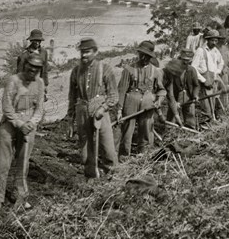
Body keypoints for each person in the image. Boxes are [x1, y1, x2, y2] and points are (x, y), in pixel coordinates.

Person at [0, 51, 45, 209]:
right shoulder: (13, 80)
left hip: (29, 125)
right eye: (31, 66)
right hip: (11, 123)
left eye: (37, 68)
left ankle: (21, 197)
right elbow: (7, 107)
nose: (33, 70)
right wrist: (19, 124)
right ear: (25, 65)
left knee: (23, 163)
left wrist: (31, 123)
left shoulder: (40, 83)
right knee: (3, 163)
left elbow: (40, 109)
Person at [67, 38, 118, 178]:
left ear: (95, 52)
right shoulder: (76, 71)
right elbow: (72, 97)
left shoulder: (105, 69)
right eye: (82, 52)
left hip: (100, 111)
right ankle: (90, 177)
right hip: (82, 110)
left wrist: (103, 108)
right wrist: (70, 120)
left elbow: (113, 95)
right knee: (85, 149)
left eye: (87, 52)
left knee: (107, 147)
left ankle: (113, 176)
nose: (84, 55)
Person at [117, 41, 166, 157]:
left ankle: (144, 156)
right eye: (141, 55)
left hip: (148, 105)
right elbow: (122, 90)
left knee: (147, 129)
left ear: (150, 57)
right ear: (138, 54)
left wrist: (159, 101)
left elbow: (161, 90)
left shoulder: (156, 71)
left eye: (147, 56)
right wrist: (119, 109)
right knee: (127, 131)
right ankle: (124, 157)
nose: (144, 58)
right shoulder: (128, 69)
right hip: (130, 103)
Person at [191, 29, 224, 122]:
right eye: (212, 40)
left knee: (212, 104)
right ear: (207, 40)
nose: (214, 42)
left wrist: (217, 72)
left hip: (212, 81)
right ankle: (204, 126)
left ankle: (211, 123)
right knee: (206, 108)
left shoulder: (216, 51)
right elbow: (193, 68)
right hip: (203, 82)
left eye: (216, 40)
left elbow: (221, 62)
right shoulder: (200, 51)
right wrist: (204, 80)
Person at [163, 49, 200, 129]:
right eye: (184, 60)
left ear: (190, 60)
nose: (185, 62)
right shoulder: (173, 70)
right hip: (176, 96)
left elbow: (196, 85)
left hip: (188, 96)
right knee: (172, 117)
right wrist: (174, 102)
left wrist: (195, 95)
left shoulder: (192, 70)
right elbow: (170, 91)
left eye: (188, 60)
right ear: (180, 59)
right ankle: (170, 131)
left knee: (190, 115)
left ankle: (190, 130)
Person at [17, 29, 49, 101]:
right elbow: (19, 73)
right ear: (31, 40)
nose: (37, 43)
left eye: (39, 40)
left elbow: (45, 70)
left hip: (39, 84)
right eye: (35, 40)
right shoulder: (24, 55)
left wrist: (46, 85)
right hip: (27, 85)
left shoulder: (44, 52)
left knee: (40, 108)